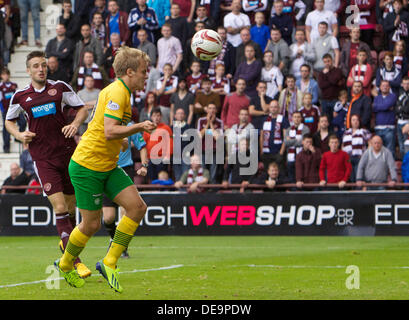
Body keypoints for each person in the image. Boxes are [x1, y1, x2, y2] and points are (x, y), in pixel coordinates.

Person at [54, 47, 156, 292]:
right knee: (91, 225)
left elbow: (100, 125)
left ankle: (109, 262)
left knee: (137, 207)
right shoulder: (117, 92)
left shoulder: (121, 92)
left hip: (107, 165)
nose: (146, 75)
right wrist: (139, 126)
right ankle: (66, 263)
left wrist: (121, 140)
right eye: (143, 71)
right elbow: (110, 130)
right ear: (129, 72)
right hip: (87, 166)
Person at [5, 51, 91, 279]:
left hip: (68, 155)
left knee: (72, 210)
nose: (41, 69)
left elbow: (82, 108)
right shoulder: (21, 96)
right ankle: (76, 261)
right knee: (60, 208)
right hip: (43, 159)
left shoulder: (60, 87)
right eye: (36, 66)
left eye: (43, 65)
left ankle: (66, 247)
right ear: (29, 70)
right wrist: (19, 134)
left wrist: (74, 124)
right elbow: (8, 121)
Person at [102, 123, 148, 259]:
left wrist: (144, 165)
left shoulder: (130, 126)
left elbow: (142, 146)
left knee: (125, 211)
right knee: (108, 217)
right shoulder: (104, 124)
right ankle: (113, 239)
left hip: (125, 171)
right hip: (107, 170)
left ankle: (121, 247)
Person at [259, 99, 290, 174]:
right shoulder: (264, 119)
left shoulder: (283, 119)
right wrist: (261, 151)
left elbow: (286, 136)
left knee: (280, 173)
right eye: (271, 107)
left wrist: (281, 153)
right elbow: (262, 136)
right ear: (269, 108)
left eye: (275, 107)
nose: (273, 108)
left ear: (279, 108)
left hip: (278, 152)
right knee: (267, 174)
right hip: (266, 152)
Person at [143, 107, 173, 181]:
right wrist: (144, 157)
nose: (156, 118)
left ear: (161, 116)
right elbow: (144, 144)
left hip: (162, 158)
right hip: (150, 158)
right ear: (151, 117)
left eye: (158, 115)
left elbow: (170, 143)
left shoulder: (166, 128)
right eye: (154, 116)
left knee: (162, 178)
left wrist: (167, 156)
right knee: (152, 178)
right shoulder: (147, 128)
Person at [197, 102, 224, 183]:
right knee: (203, 172)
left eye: (213, 108)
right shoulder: (201, 120)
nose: (211, 110)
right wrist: (208, 123)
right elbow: (199, 136)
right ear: (207, 110)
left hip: (214, 151)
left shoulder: (219, 122)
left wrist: (211, 123)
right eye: (210, 108)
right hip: (203, 150)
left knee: (213, 174)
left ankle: (212, 190)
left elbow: (218, 138)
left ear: (216, 110)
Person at [342, 114, 372, 183]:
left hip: (359, 158)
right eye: (353, 120)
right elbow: (343, 146)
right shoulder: (346, 133)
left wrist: (366, 154)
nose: (355, 122)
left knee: (358, 178)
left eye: (357, 120)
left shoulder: (363, 131)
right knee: (351, 178)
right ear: (350, 122)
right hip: (348, 159)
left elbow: (371, 143)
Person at [0, 67, 24, 154]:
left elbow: (19, 97)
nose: (6, 76)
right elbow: (0, 99)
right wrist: (2, 110)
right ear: (1, 76)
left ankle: (18, 137)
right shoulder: (1, 86)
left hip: (16, 109)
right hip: (6, 110)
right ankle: (6, 147)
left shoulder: (14, 85)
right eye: (4, 74)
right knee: (6, 128)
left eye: (7, 74)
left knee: (23, 122)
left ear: (9, 75)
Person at [317, 53, 344, 124]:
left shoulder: (338, 71)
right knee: (326, 120)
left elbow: (334, 80)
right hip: (325, 100)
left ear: (332, 61)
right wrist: (331, 82)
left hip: (335, 99)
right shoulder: (321, 73)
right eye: (325, 62)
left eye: (328, 61)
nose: (327, 63)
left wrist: (327, 74)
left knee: (336, 120)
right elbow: (321, 85)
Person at [373, 80, 398, 157]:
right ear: (380, 87)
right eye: (383, 85)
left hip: (389, 128)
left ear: (389, 87)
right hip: (378, 128)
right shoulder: (377, 97)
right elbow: (374, 108)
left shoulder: (393, 96)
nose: (385, 87)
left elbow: (385, 106)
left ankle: (390, 169)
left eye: (386, 85)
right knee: (378, 152)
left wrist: (379, 107)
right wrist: (385, 107)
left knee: (390, 152)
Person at [284, 111, 310, 183]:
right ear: (292, 118)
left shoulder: (305, 129)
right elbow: (286, 143)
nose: (297, 119)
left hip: (302, 157)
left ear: (301, 118)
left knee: (302, 177)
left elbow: (305, 142)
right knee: (291, 178)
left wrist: (291, 140)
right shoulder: (288, 129)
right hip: (290, 158)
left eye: (298, 117)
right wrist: (298, 140)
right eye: (295, 117)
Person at [396, 76, 409, 159]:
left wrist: (402, 109)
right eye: (404, 84)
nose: (406, 85)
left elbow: (406, 109)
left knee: (406, 145)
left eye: (408, 84)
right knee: (401, 146)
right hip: (399, 121)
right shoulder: (400, 93)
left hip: (407, 122)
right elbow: (397, 108)